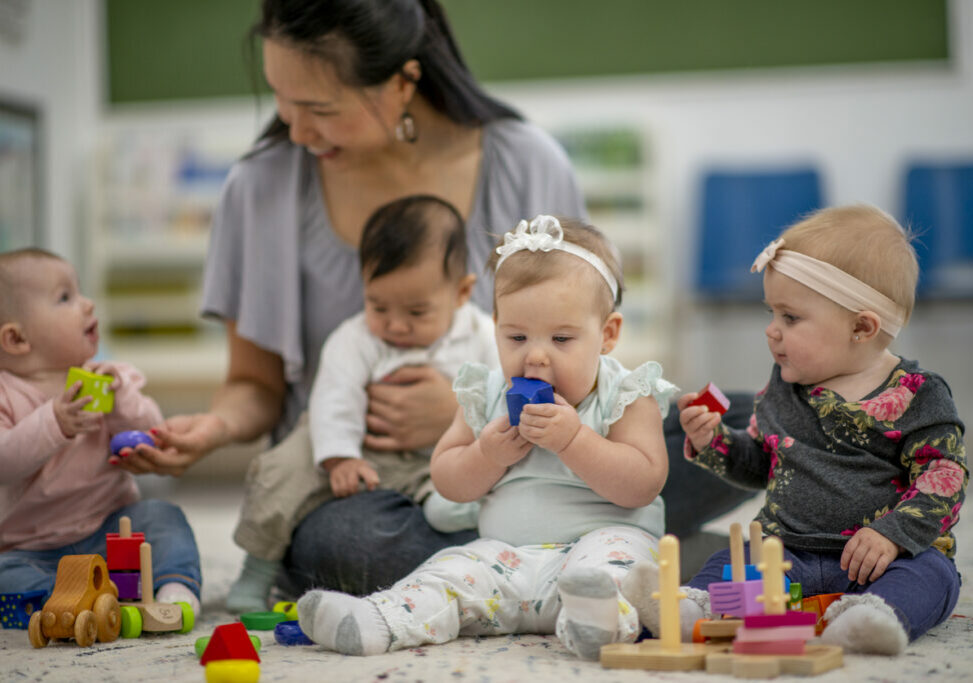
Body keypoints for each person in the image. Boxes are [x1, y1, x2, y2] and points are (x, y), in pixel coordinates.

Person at [118, 0, 752, 596]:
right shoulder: (259, 187)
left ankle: (579, 543)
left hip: (543, 456)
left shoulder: (527, 162)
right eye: (280, 99)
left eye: (320, 106)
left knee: (752, 421)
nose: (295, 127)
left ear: (403, 81)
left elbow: (576, 338)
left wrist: (508, 420)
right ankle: (620, 550)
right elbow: (254, 383)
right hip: (367, 479)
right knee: (346, 543)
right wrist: (215, 427)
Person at [295, 215, 676, 660]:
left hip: (600, 542)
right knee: (449, 571)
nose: (535, 356)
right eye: (516, 336)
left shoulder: (625, 394)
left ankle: (597, 622)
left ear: (607, 335)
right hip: (506, 559)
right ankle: (380, 619)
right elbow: (448, 480)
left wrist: (574, 440)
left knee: (615, 569)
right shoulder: (487, 392)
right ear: (494, 324)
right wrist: (487, 454)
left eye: (561, 338)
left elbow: (643, 484)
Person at [622, 205, 967, 656]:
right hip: (783, 556)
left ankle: (873, 617)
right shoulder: (786, 386)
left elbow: (945, 478)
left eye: (790, 318)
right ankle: (695, 611)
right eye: (772, 313)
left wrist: (892, 533)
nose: (772, 331)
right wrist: (713, 440)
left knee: (933, 575)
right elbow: (762, 465)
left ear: (861, 327)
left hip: (882, 559)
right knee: (734, 560)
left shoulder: (919, 394)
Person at [226, 194, 495, 612]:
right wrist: (339, 458)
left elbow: (502, 392)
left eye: (417, 311)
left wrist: (462, 419)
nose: (395, 324)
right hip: (357, 448)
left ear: (461, 292)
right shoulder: (355, 338)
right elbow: (334, 399)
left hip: (435, 459)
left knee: (473, 487)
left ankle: (451, 513)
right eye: (378, 305)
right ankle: (257, 569)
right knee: (283, 471)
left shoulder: (484, 335)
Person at [0, 248, 201, 614]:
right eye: (65, 297)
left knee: (162, 517)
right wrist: (53, 423)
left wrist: (122, 399)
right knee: (6, 576)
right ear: (17, 340)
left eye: (79, 292)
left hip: (113, 530)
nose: (87, 304)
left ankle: (174, 588)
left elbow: (150, 432)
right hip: (32, 550)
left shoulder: (104, 377)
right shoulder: (6, 395)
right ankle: (63, 604)